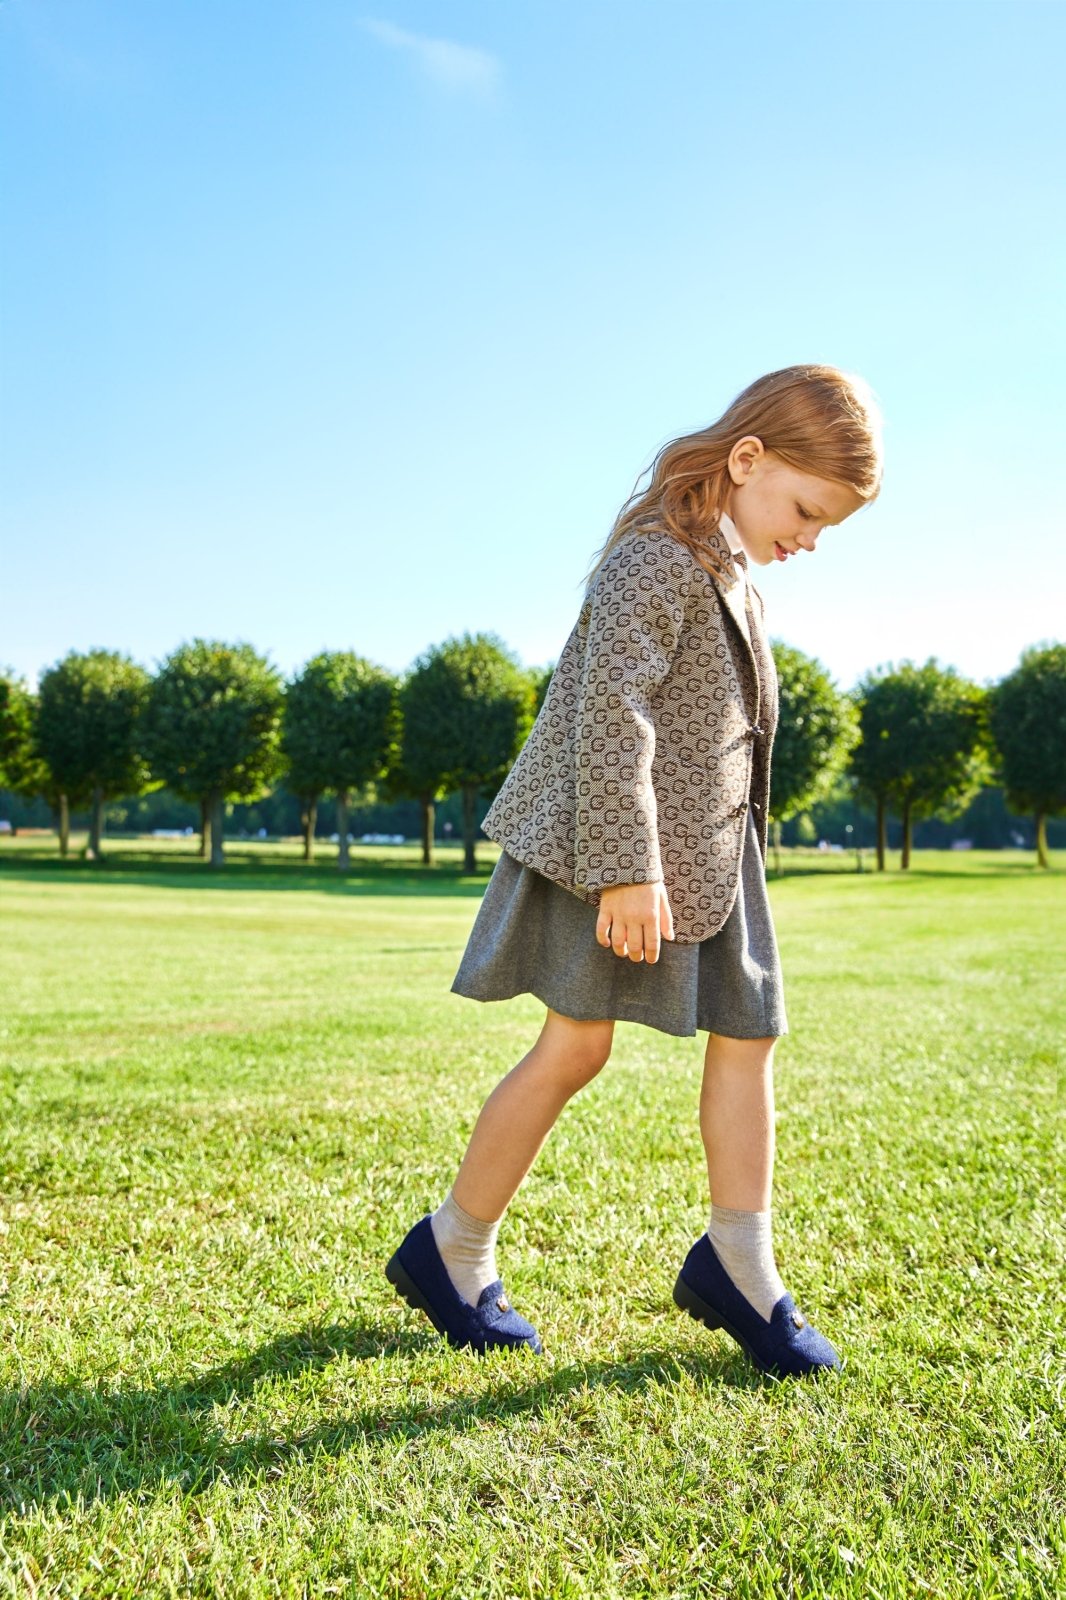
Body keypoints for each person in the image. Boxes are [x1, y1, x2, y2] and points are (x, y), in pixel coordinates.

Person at [386, 364, 883, 1378]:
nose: (811, 539)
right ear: (746, 461)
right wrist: (626, 870)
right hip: (614, 849)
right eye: (805, 509)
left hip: (713, 850)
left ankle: (737, 1263)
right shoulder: (654, 560)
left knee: (750, 1035)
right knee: (576, 1047)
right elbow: (612, 714)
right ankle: (452, 1247)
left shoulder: (731, 570)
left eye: (829, 525)